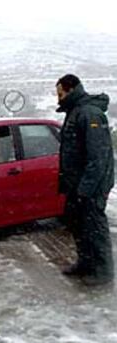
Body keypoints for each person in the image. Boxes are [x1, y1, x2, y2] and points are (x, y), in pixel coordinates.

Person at [56, 74, 114, 286]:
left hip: (91, 186)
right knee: (78, 225)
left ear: (71, 89)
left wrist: (85, 189)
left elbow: (98, 157)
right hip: (76, 185)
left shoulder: (89, 113)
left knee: (94, 227)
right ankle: (85, 263)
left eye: (60, 93)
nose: (58, 99)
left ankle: (103, 272)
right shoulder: (75, 112)